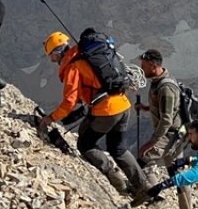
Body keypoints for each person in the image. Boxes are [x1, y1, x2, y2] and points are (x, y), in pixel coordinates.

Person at [41, 31, 150, 198]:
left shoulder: (73, 65)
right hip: (123, 105)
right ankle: (143, 187)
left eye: (52, 56)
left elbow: (69, 101)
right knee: (118, 148)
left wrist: (51, 118)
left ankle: (118, 182)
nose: (51, 60)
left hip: (106, 111)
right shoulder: (87, 56)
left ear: (58, 52)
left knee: (85, 144)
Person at [136, 49, 192, 209]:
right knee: (177, 174)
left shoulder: (166, 87)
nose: (142, 69)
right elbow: (166, 109)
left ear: (153, 65)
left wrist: (152, 142)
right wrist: (146, 108)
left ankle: (156, 197)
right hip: (174, 136)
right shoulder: (159, 82)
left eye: (144, 66)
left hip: (170, 135)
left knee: (144, 159)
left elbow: (166, 119)